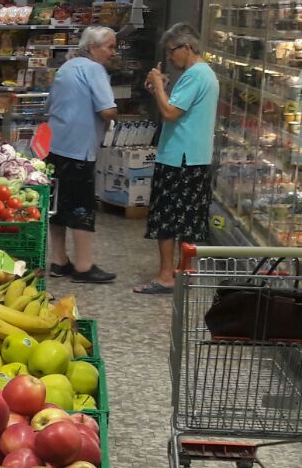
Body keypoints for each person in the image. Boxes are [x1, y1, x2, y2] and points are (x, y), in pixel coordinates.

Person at [135, 23, 218, 295]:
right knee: (189, 219)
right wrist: (158, 90)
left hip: (179, 158)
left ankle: (166, 275)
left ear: (187, 47)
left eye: (172, 52)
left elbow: (170, 113)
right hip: (194, 157)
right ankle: (183, 272)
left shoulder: (195, 75)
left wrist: (158, 85)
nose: (170, 58)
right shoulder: (204, 74)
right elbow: (175, 108)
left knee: (167, 217)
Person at [45, 25, 119, 284]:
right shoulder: (95, 69)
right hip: (79, 149)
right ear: (92, 47)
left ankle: (59, 261)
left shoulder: (67, 67)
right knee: (81, 206)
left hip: (54, 145)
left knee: (57, 206)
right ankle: (84, 266)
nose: (113, 52)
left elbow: (50, 104)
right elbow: (107, 110)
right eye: (109, 46)